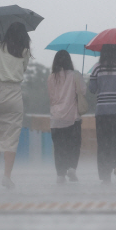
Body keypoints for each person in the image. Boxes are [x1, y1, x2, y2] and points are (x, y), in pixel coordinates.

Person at [0, 22, 30, 189]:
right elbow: (23, 69)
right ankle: (7, 176)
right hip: (14, 94)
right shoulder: (24, 51)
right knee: (11, 138)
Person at [88, 44, 116, 185]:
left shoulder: (97, 67)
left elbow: (92, 89)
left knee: (104, 144)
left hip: (102, 112)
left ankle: (105, 175)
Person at [48, 50, 86, 184]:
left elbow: (52, 97)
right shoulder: (75, 75)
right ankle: (71, 168)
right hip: (72, 117)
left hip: (56, 118)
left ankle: (60, 174)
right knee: (74, 145)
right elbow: (83, 91)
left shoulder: (51, 77)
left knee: (59, 147)